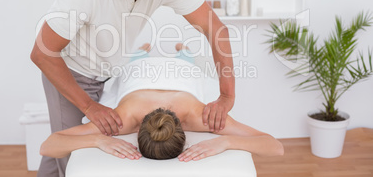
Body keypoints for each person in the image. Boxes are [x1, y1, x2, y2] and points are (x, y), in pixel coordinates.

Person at [31, 0, 235, 177]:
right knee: (71, 155)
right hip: (70, 72)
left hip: (106, 74)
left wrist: (226, 96)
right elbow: (42, 54)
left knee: (58, 153)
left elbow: (216, 29)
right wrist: (89, 107)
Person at [40, 43, 284, 161]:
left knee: (143, 58)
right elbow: (274, 146)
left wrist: (98, 140)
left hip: (147, 70)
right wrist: (225, 142)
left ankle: (166, 50)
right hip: (168, 72)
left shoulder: (120, 122)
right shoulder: (203, 119)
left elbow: (49, 145)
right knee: (176, 60)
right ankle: (177, 50)